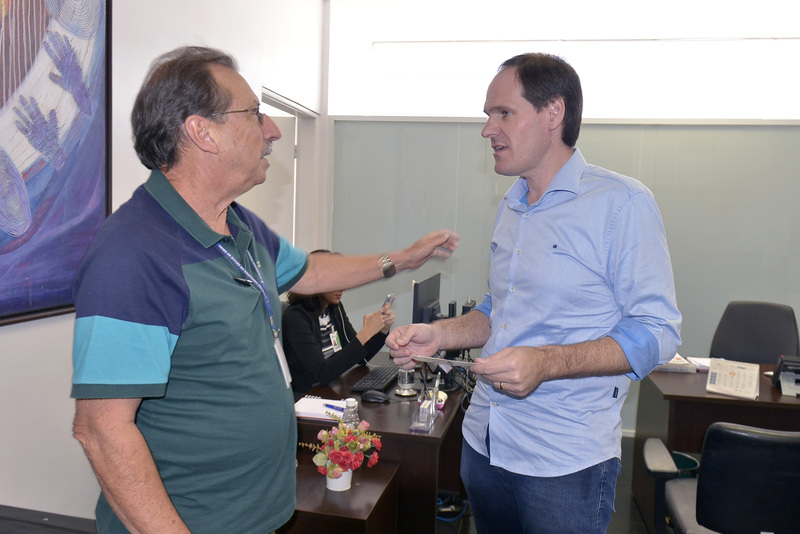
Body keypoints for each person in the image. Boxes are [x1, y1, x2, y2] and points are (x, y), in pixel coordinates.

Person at [70, 45, 459, 534]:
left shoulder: (238, 225)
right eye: (254, 114)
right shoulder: (133, 254)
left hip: (262, 515)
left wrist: (401, 259)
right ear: (202, 132)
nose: (272, 129)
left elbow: (310, 273)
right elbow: (101, 430)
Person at [386, 53, 681, 534]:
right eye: (488, 115)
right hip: (485, 441)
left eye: (504, 113)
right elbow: (498, 310)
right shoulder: (512, 204)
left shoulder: (622, 203)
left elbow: (658, 331)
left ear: (553, 113)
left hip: (563, 461)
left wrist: (546, 362)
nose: (488, 129)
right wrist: (439, 335)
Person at [283, 250, 396, 395]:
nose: (342, 287)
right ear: (316, 280)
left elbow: (361, 357)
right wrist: (365, 332)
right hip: (308, 396)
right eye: (336, 280)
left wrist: (382, 330)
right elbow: (323, 373)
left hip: (332, 386)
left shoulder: (333, 309)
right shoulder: (296, 318)